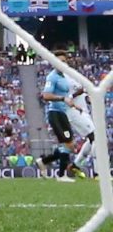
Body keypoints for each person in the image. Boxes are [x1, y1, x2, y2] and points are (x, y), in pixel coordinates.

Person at [36, 50, 80, 182]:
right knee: (68, 143)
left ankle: (44, 161)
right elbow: (46, 95)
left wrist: (73, 104)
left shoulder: (64, 77)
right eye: (60, 61)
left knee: (69, 144)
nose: (63, 64)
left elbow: (67, 97)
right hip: (55, 114)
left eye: (65, 61)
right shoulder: (52, 77)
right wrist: (62, 99)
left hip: (63, 113)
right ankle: (61, 175)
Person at [68, 82, 95, 177]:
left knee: (92, 139)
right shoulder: (64, 78)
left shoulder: (76, 78)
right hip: (75, 112)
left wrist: (89, 99)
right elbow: (64, 97)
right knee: (95, 137)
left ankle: (75, 165)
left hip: (84, 112)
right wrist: (76, 94)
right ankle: (98, 172)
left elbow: (84, 95)